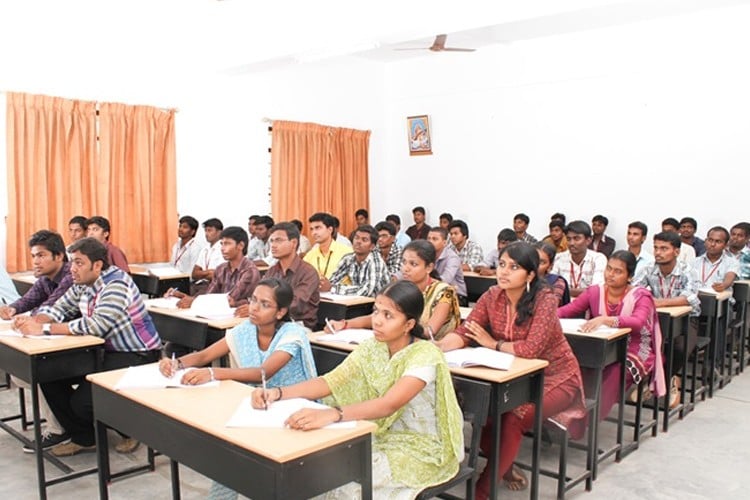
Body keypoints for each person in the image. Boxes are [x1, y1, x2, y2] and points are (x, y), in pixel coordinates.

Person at [251, 280, 464, 499]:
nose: (377, 321)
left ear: (409, 324)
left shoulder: (425, 355)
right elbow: (330, 381)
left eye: (388, 315)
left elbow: (388, 404)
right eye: (376, 311)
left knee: (348, 485)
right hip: (381, 435)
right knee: (317, 469)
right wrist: (277, 393)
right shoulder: (374, 346)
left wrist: (333, 414)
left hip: (423, 448)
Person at [437, 242, 586, 496]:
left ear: (529, 275)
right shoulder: (491, 295)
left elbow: (531, 350)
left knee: (513, 418)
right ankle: (504, 466)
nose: (503, 272)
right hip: (509, 377)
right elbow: (466, 331)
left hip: (554, 377)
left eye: (513, 267)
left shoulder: (545, 299)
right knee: (485, 417)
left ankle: (482, 491)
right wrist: (438, 347)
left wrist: (491, 343)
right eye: (502, 265)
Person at [162, 278, 318, 500]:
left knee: (243, 459)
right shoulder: (245, 330)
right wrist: (176, 363)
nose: (254, 308)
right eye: (253, 300)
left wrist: (213, 373)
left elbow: (263, 372)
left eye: (265, 304)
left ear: (281, 312)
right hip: (259, 406)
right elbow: (205, 355)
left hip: (295, 408)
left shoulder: (293, 334)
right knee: (228, 455)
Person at [14, 237, 162, 456]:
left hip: (137, 355)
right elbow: (59, 308)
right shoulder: (82, 282)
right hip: (103, 352)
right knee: (47, 374)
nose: (73, 268)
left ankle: (130, 429)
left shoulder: (116, 284)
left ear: (98, 265)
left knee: (82, 403)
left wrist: (45, 330)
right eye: (72, 262)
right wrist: (36, 321)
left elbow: (96, 326)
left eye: (79, 262)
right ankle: (84, 438)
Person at [558, 250, 666, 417]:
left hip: (634, 348)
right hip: (603, 345)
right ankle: (568, 410)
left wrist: (606, 320)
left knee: (616, 372)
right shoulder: (595, 292)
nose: (610, 274)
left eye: (618, 271)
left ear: (629, 276)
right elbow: (568, 310)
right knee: (575, 365)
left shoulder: (640, 295)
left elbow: (637, 323)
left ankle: (585, 419)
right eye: (609, 269)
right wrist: (543, 315)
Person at [0, 230, 74, 452]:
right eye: (33, 256)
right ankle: (64, 420)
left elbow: (51, 307)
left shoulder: (71, 275)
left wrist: (29, 319)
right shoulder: (45, 279)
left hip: (77, 341)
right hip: (55, 338)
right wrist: (12, 308)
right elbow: (29, 299)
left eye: (41, 255)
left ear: (59, 256)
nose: (35, 261)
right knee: (22, 373)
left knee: (37, 371)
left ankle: (61, 428)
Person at [331, 240, 461, 340]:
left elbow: (429, 332)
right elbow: (376, 316)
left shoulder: (444, 292)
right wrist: (345, 324)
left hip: (437, 350)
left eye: (413, 264)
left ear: (429, 267)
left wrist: (394, 328)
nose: (405, 268)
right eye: (404, 262)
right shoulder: (400, 288)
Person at [633, 231, 701, 409]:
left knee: (679, 347)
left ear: (676, 252)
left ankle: (668, 380)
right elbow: (636, 291)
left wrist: (660, 302)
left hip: (687, 320)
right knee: (641, 344)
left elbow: (690, 296)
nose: (658, 252)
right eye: (656, 248)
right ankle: (651, 381)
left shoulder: (687, 270)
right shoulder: (648, 269)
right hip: (657, 320)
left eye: (664, 248)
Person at [249, 222, 321, 329]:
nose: (273, 245)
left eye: (278, 240)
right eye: (272, 241)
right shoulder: (272, 271)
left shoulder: (308, 272)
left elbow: (295, 304)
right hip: (271, 320)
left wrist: (263, 307)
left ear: (294, 243)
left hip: (297, 325)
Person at [170, 226, 260, 309]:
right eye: (222, 244)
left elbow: (230, 300)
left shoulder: (249, 270)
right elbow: (209, 294)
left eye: (227, 244)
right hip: (218, 313)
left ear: (240, 246)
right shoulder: (221, 268)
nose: (222, 248)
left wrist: (194, 301)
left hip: (237, 317)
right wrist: (186, 297)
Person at [324, 225, 390, 297]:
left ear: (372, 246)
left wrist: (333, 288)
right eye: (356, 238)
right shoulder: (348, 258)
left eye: (364, 240)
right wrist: (328, 286)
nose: (358, 242)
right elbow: (332, 281)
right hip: (358, 301)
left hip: (379, 303)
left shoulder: (376, 261)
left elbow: (366, 291)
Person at [551, 220, 607, 298]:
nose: (571, 243)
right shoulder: (559, 258)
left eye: (576, 239)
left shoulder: (598, 259)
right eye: (568, 239)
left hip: (588, 306)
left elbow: (596, 290)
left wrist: (564, 291)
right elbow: (552, 286)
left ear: (588, 240)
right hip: (564, 306)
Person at [303, 212, 353, 283]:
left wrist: (332, 287)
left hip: (340, 293)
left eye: (318, 228)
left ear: (330, 230)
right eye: (312, 229)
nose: (314, 232)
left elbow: (357, 283)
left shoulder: (347, 253)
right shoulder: (310, 256)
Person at [427, 227, 468, 306]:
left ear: (444, 242)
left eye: (434, 239)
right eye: (428, 239)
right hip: (434, 292)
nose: (430, 242)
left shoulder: (453, 257)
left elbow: (445, 280)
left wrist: (425, 282)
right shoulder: (426, 255)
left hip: (457, 296)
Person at [693, 226, 739, 294]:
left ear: (726, 245)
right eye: (710, 240)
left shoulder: (732, 262)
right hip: (697, 300)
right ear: (705, 241)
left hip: (720, 301)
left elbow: (729, 277)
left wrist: (723, 285)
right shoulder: (694, 262)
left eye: (718, 241)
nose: (712, 244)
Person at [190, 218, 224, 295]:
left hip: (213, 286)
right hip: (199, 284)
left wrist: (202, 273)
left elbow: (216, 275)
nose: (206, 233)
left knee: (191, 302)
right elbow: (194, 274)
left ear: (219, 232)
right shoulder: (204, 249)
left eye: (210, 230)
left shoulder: (223, 249)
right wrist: (208, 272)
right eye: (206, 230)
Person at [535, 241, 570, 306]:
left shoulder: (557, 282)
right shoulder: (520, 279)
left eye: (541, 262)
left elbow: (551, 305)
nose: (535, 265)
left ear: (550, 266)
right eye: (533, 259)